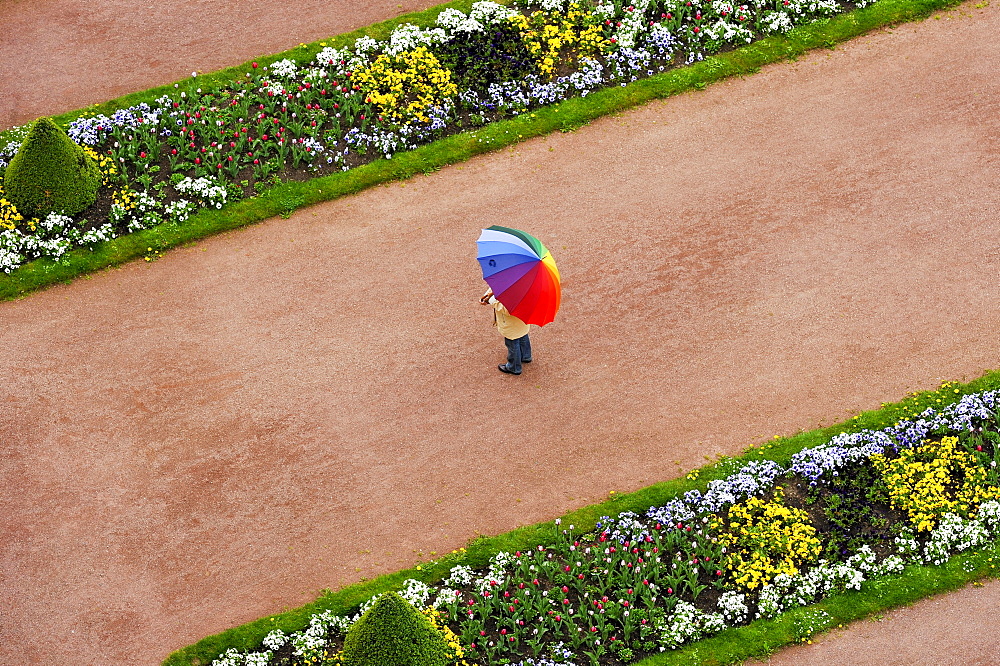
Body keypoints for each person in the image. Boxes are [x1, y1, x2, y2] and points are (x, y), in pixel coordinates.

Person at [480, 286, 531, 375]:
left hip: (510, 325)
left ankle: (514, 367)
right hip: (523, 322)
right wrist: (489, 295)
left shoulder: (511, 284)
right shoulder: (529, 289)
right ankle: (526, 356)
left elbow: (507, 309)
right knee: (523, 337)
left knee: (512, 344)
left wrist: (490, 300)